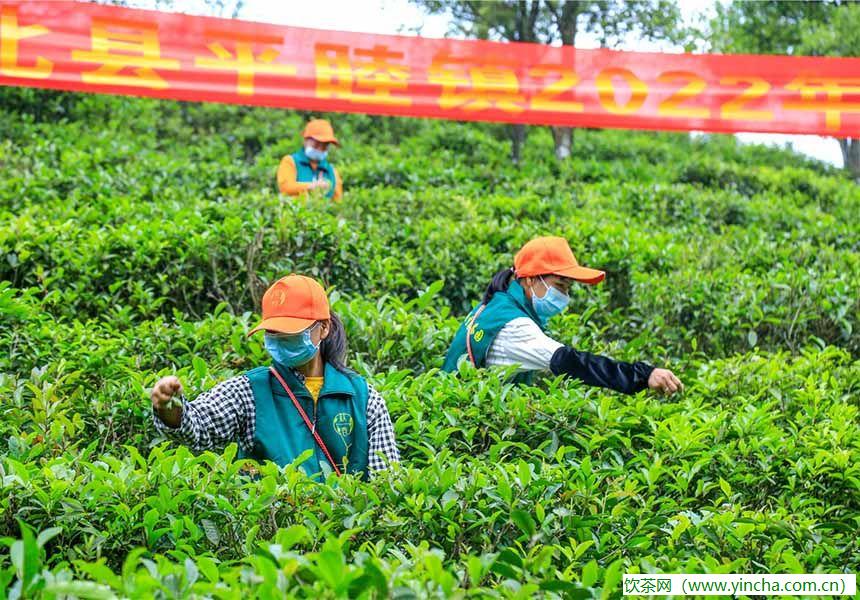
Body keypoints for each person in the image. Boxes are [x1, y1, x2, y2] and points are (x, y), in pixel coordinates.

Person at [151, 274, 399, 479]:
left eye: (290, 333)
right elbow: (198, 429)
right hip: (272, 535)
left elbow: (386, 484)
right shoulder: (248, 391)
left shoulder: (364, 399)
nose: (281, 340)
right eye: (273, 332)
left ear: (323, 328)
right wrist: (170, 407)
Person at [443, 236, 683, 395]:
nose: (565, 295)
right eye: (559, 284)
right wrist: (642, 374)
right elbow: (568, 361)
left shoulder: (497, 302)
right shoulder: (515, 326)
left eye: (568, 287)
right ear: (529, 279)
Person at [276, 118, 343, 201]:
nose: (320, 148)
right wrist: (311, 186)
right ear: (305, 140)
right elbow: (285, 188)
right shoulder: (290, 161)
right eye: (317, 143)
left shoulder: (332, 171)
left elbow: (338, 201)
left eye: (325, 145)